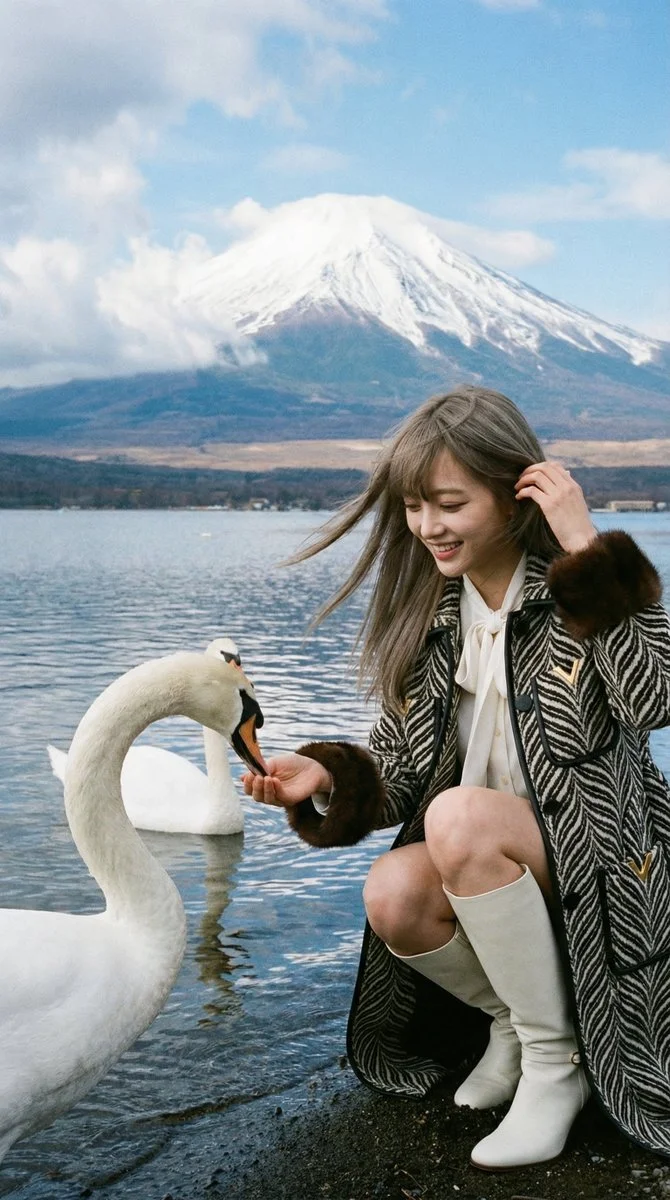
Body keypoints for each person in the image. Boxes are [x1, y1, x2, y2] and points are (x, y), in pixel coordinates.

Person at [242, 385, 670, 1171]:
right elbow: (403, 774)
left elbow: (656, 698)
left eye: (448, 503)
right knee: (392, 892)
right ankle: (513, 1021)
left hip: (613, 860)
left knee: (460, 819)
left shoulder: (578, 586)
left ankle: (556, 1067)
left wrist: (585, 542)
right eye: (413, 507)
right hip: (489, 865)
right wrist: (325, 775)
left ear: (516, 496)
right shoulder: (430, 614)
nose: (427, 527)